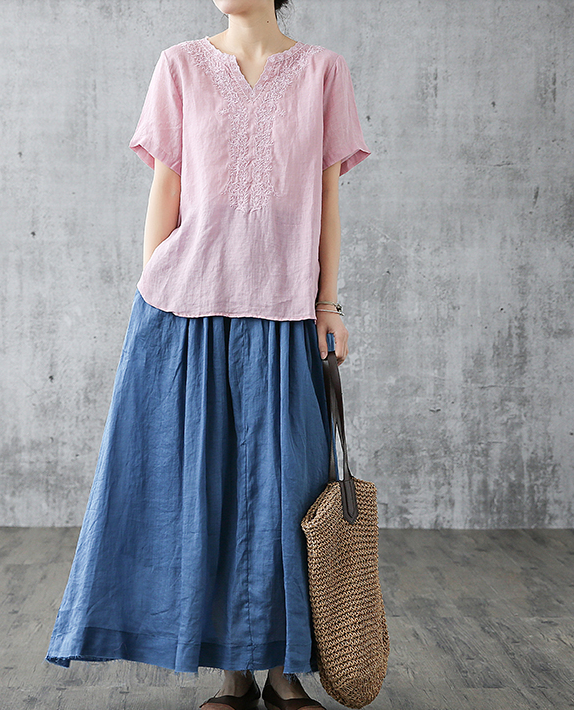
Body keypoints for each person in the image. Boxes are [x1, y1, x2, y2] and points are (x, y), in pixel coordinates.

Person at [44, 1, 370, 709]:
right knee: (205, 493)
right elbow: (166, 184)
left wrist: (329, 303)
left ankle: (283, 672)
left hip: (283, 309)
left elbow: (327, 194)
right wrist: (151, 299)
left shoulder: (323, 72)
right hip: (187, 308)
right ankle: (232, 676)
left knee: (288, 493)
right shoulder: (180, 66)